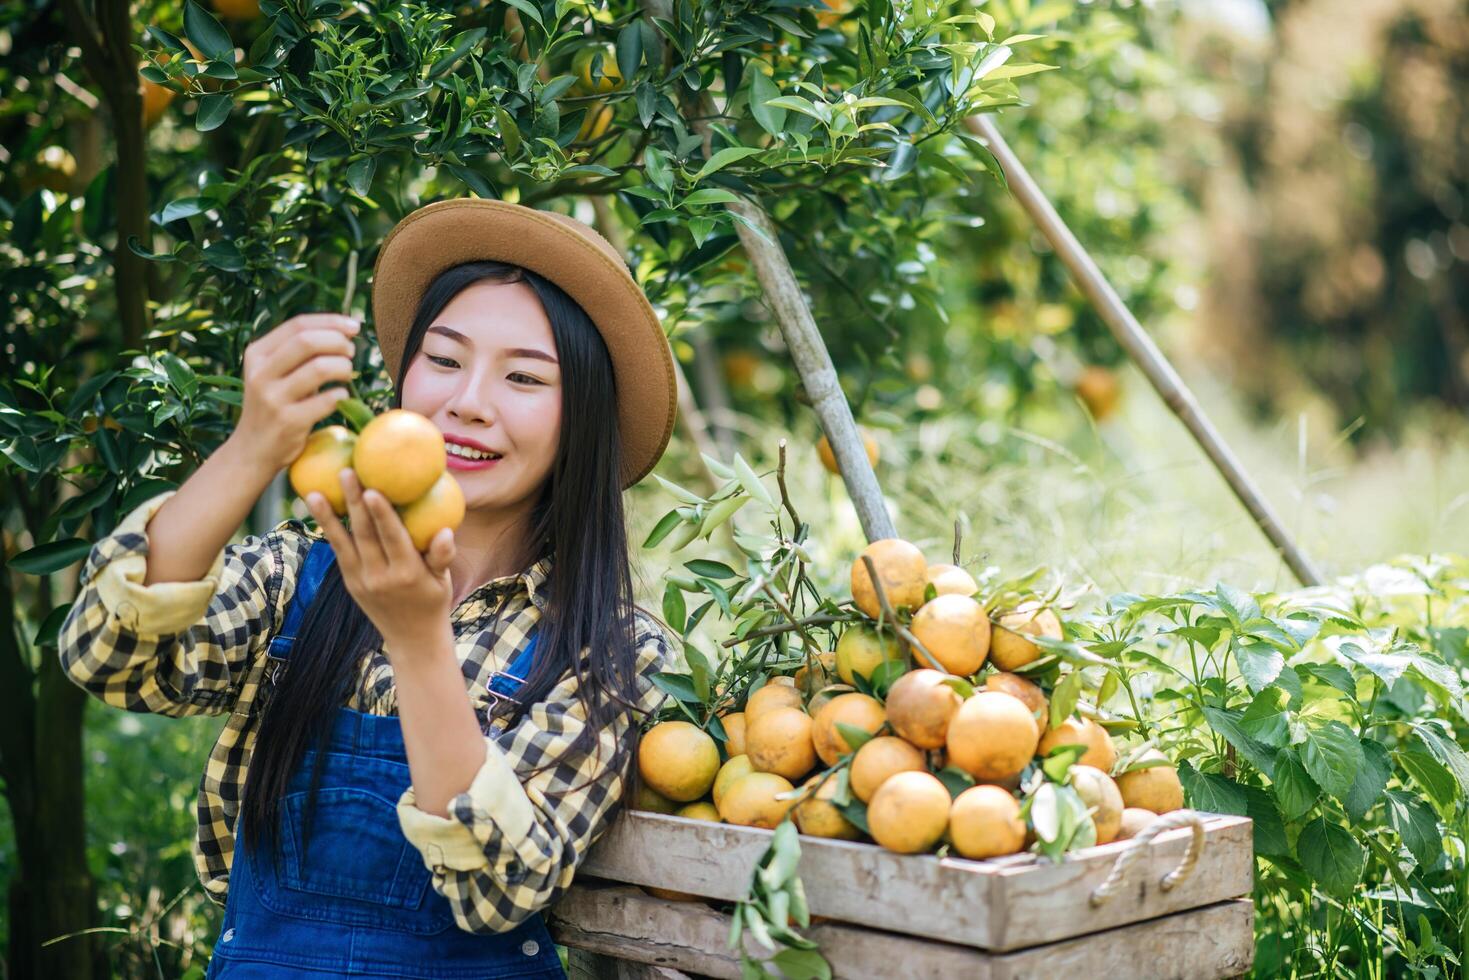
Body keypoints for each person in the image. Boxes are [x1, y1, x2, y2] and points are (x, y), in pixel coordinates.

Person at [57, 199, 681, 978]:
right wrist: (254, 447)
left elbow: (499, 887)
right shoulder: (301, 577)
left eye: (524, 377)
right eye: (444, 360)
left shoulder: (609, 652)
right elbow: (107, 657)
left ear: (581, 418)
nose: (468, 403)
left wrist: (420, 641)